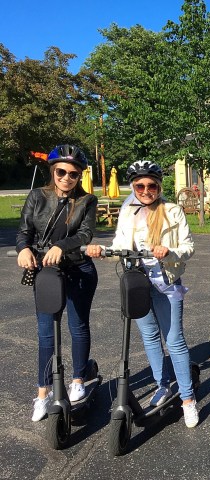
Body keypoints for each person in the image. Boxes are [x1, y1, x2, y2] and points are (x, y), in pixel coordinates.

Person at [86, 160, 199, 428]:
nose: (146, 190)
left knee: (174, 340)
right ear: (134, 186)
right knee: (149, 337)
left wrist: (168, 251)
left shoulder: (172, 211)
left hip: (166, 282)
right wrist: (101, 250)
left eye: (151, 185)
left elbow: (188, 247)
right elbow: (119, 245)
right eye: (140, 185)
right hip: (136, 283)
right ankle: (162, 385)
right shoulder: (128, 211)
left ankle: (188, 399)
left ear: (159, 186)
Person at [16, 144, 99, 422]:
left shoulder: (87, 201)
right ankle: (43, 393)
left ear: (79, 176)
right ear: (53, 171)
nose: (66, 178)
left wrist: (62, 246)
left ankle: (78, 380)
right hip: (47, 273)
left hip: (79, 268)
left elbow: (86, 233)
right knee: (45, 334)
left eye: (73, 174)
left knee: (78, 326)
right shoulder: (37, 196)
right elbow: (24, 232)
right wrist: (23, 250)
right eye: (61, 172)